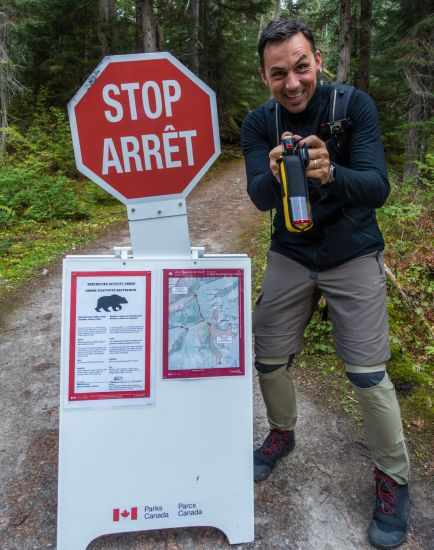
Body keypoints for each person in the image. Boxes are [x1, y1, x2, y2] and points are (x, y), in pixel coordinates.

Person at [241, 19, 410, 549]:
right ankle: (283, 432)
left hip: (351, 250)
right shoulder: (258, 124)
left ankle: (393, 478)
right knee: (267, 354)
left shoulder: (352, 107)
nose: (292, 83)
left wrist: (329, 170)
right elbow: (261, 198)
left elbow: (377, 187)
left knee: (367, 374)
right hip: (291, 251)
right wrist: (275, 172)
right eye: (278, 73)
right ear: (265, 76)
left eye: (301, 67)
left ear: (318, 60)